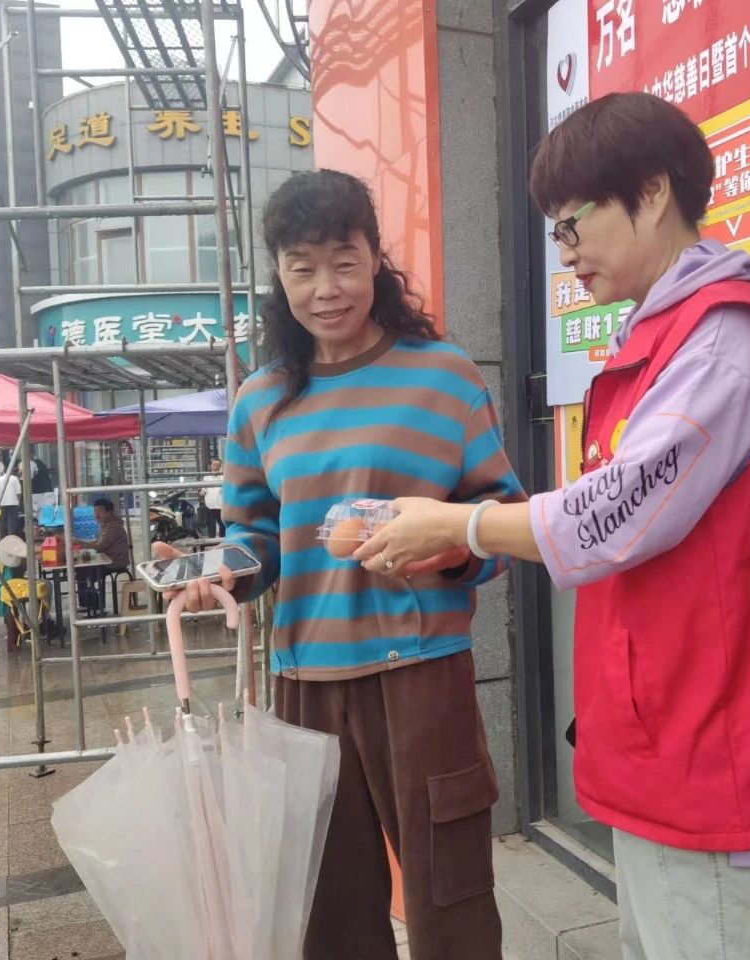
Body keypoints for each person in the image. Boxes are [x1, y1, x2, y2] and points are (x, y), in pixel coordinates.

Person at [353, 92, 750, 960]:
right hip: (673, 733)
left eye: (572, 225)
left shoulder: (722, 337)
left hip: (714, 748)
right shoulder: (667, 331)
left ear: (652, 192)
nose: (565, 253)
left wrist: (461, 525)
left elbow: (615, 513)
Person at [158, 169, 525, 960]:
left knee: (451, 897)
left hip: (423, 675)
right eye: (303, 268)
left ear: (375, 260)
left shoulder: (445, 377)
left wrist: (445, 547)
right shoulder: (261, 401)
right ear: (279, 276)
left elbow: (501, 520)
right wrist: (218, 572)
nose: (326, 289)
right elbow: (254, 537)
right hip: (305, 683)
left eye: (344, 263)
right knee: (328, 911)